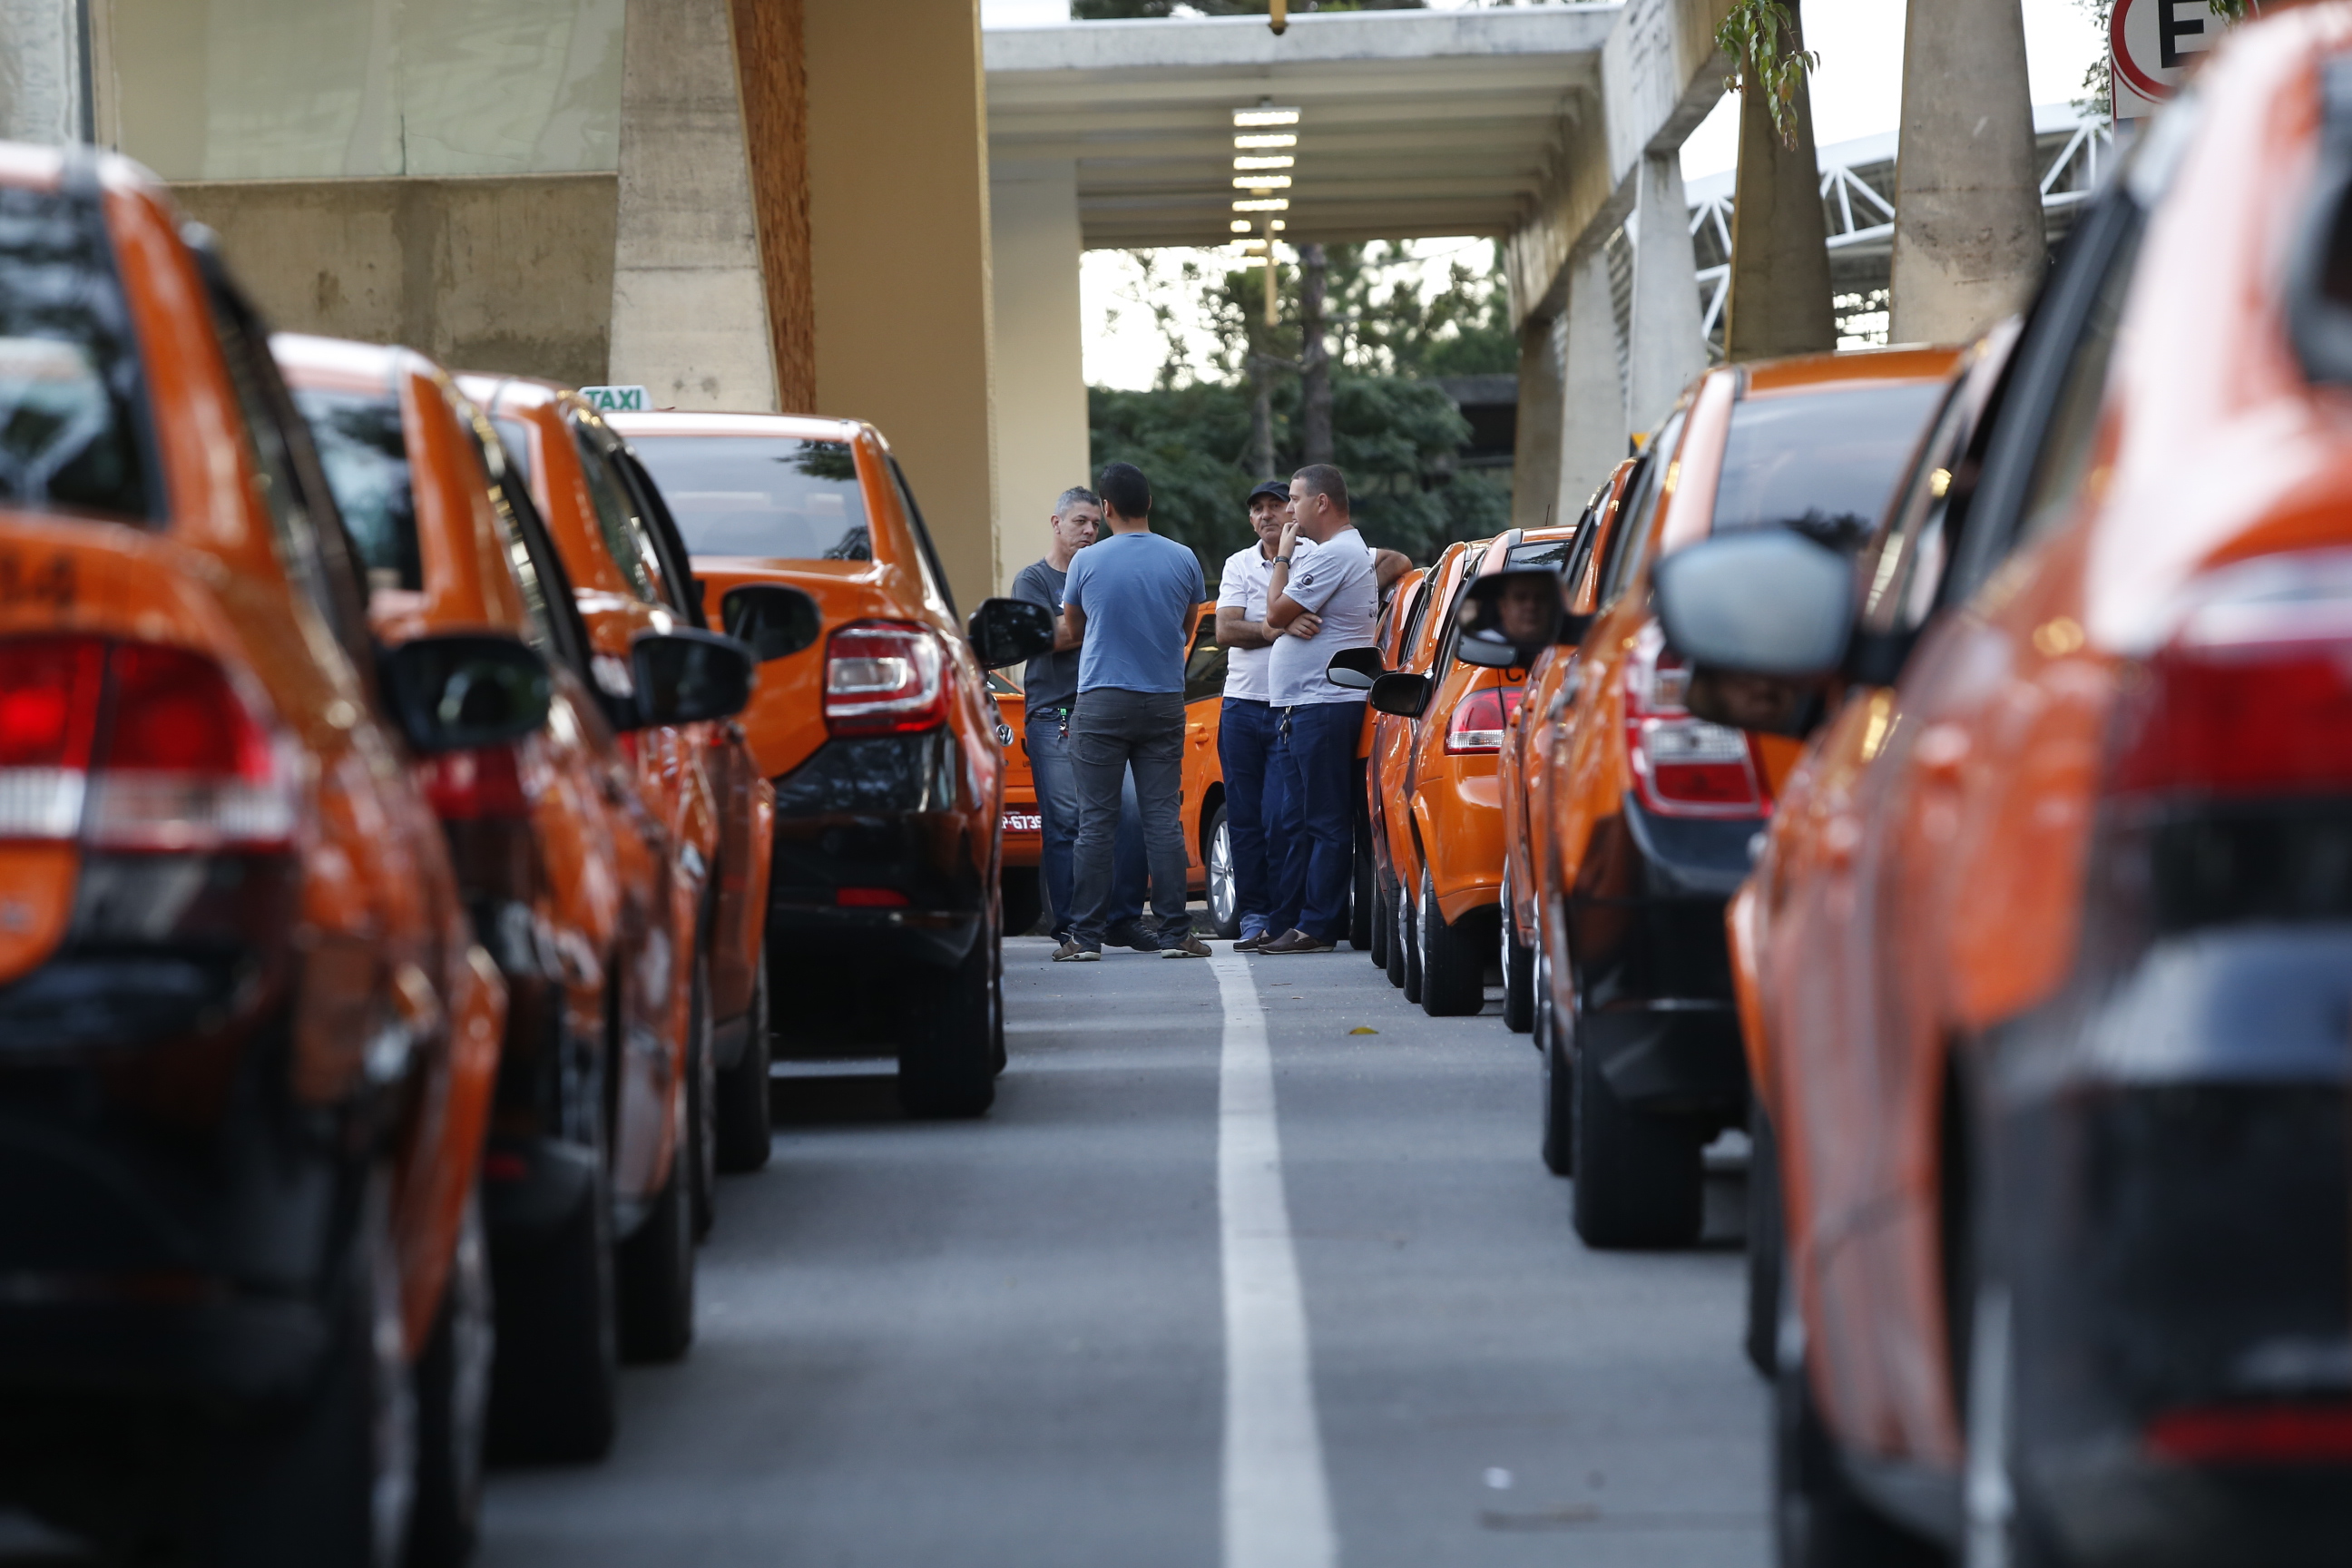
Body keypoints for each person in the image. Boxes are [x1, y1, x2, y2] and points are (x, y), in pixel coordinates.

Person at [1054, 462, 1210, 961]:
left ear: (1106, 508)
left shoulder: (1086, 561)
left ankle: (1084, 937)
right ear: (1149, 503)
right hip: (1163, 699)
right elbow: (1187, 628)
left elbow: (1074, 628)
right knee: (1162, 818)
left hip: (1101, 698)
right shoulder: (1183, 558)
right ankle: (1175, 933)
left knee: (1096, 822)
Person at [1009, 488, 1156, 950]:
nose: (1090, 531)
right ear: (1056, 523)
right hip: (1054, 714)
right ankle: (1072, 927)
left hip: (1109, 711)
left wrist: (1079, 623)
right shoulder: (1033, 580)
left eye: (1096, 523)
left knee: (1130, 815)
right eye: (1080, 522)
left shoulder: (1104, 574)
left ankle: (1123, 919)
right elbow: (1041, 638)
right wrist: (1104, 617)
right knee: (1066, 823)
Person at [1257, 464, 1382, 956]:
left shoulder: (1335, 554)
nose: (1289, 510)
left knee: (1326, 822)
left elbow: (1273, 612)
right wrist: (1286, 620)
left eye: (1294, 499)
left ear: (1322, 502)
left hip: (1325, 704)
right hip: (1307, 704)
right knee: (1297, 820)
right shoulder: (1342, 553)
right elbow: (1279, 620)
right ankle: (1292, 920)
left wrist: (1283, 558)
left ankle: (1318, 926)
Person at [1212, 480, 1299, 950]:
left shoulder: (1315, 557)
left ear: (1294, 512)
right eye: (1257, 509)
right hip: (1241, 707)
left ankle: (1283, 917)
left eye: (1275, 505)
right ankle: (1253, 916)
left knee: (1282, 819)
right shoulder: (1238, 563)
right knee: (1244, 819)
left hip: (1291, 706)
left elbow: (1390, 562)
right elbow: (1225, 630)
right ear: (1250, 519)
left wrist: (1262, 626)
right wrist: (1276, 626)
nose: (1266, 514)